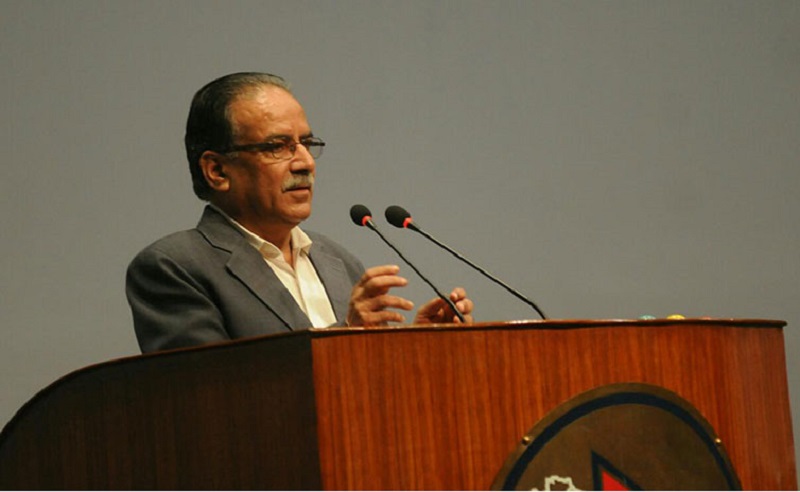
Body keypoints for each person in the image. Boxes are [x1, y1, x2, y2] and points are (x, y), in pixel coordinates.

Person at [126, 72, 473, 353]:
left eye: (306, 144)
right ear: (217, 170)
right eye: (277, 147)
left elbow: (367, 383)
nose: (305, 162)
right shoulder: (174, 267)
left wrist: (420, 344)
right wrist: (346, 334)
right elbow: (210, 394)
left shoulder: (337, 261)